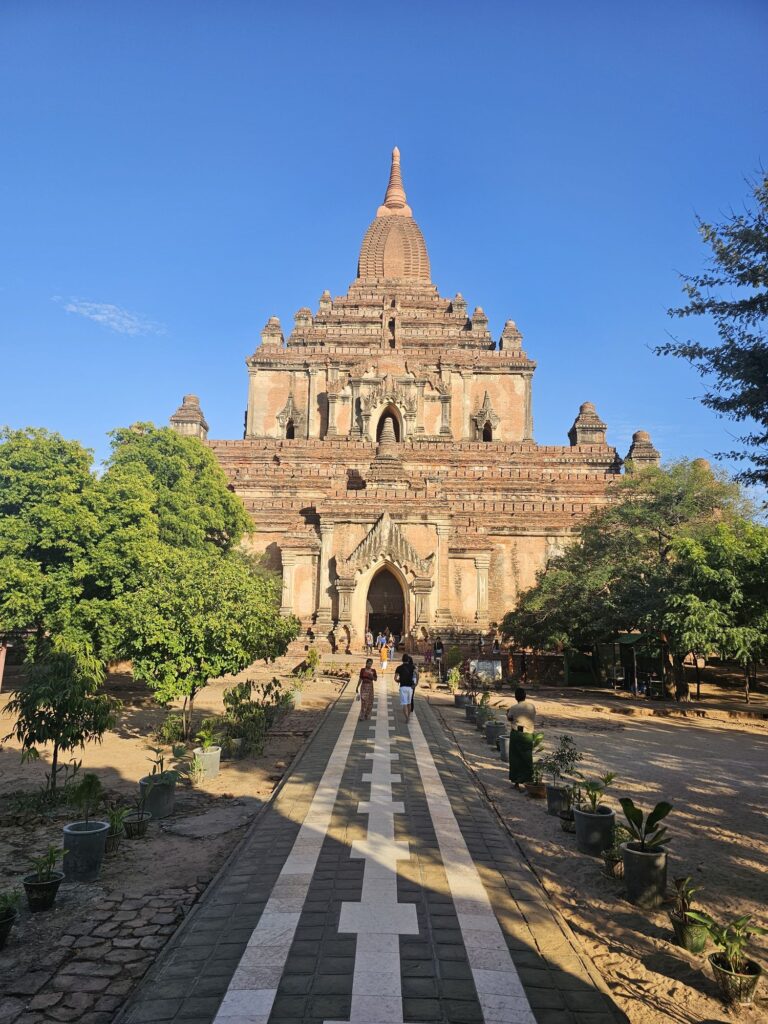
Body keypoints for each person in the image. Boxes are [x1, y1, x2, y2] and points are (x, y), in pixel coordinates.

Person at [506, 687, 537, 790]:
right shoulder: (531, 706)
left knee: (515, 758)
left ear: (516, 697)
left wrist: (507, 713)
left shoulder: (514, 708)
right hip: (528, 735)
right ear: (525, 696)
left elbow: (510, 718)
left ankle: (516, 782)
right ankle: (529, 781)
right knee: (527, 759)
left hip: (517, 734)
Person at [394, 654, 415, 723]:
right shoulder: (412, 667)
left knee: (404, 704)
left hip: (402, 687)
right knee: (409, 703)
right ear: (408, 660)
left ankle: (406, 718)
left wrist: (398, 681)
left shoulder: (399, 668)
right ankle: (408, 716)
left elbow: (395, 678)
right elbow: (416, 675)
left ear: (402, 660)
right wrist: (414, 684)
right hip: (410, 688)